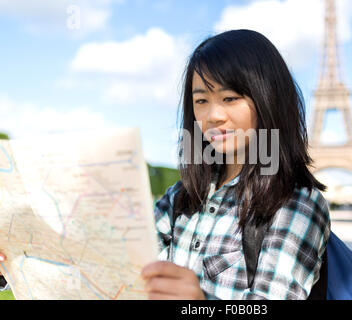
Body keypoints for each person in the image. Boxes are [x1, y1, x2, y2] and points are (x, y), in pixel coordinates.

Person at [0, 29, 331, 300]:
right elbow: (105, 267)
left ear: (268, 99)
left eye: (230, 98)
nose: (213, 115)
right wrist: (21, 255)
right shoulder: (180, 200)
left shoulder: (295, 204)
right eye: (201, 101)